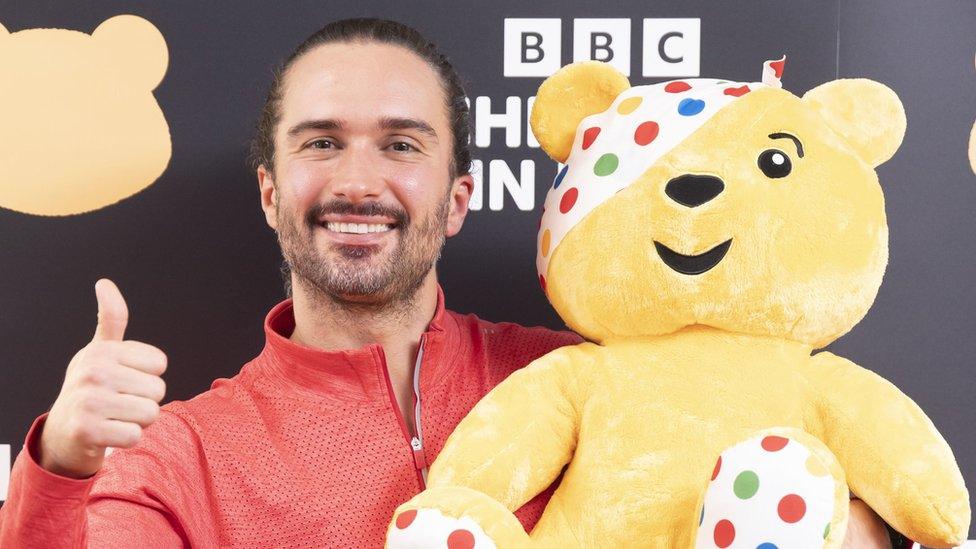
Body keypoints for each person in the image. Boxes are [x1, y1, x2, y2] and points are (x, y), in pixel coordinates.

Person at [0, 18, 896, 548]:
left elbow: (841, 502)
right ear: (271, 192)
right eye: (320, 141)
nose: (358, 179)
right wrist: (60, 470)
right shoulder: (182, 456)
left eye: (401, 143)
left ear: (460, 196)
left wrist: (839, 525)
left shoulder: (603, 380)